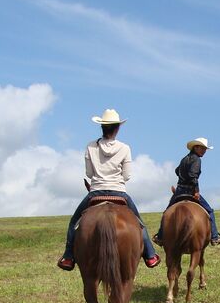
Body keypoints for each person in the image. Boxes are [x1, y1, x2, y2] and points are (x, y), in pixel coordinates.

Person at [57, 108, 160, 271]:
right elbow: (126, 176)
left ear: (102, 127)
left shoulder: (91, 146)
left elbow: (89, 173)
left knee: (73, 223)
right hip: (119, 192)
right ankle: (150, 254)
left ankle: (68, 256)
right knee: (140, 224)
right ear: (118, 128)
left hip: (96, 192)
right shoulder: (125, 148)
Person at [152, 137, 220, 246]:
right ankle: (214, 237)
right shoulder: (197, 160)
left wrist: (182, 177)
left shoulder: (184, 159)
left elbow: (177, 171)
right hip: (190, 190)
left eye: (205, 149)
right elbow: (193, 176)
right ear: (196, 147)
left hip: (179, 190)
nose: (204, 151)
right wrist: (196, 191)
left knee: (166, 212)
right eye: (203, 148)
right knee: (209, 211)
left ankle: (160, 237)